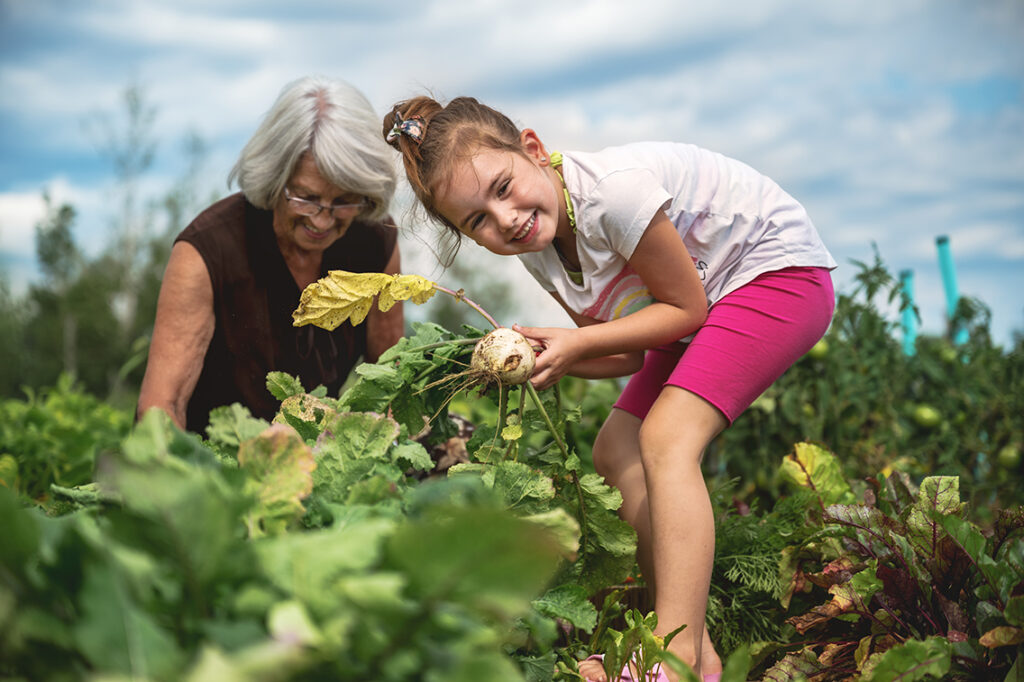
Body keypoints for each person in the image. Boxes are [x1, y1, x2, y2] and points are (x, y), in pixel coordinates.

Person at [382, 96, 837, 682]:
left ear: (533, 149)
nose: (505, 219)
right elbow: (623, 349)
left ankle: (670, 659)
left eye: (503, 187)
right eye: (478, 222)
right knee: (616, 448)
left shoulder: (613, 197)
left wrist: (575, 344)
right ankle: (695, 652)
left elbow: (686, 309)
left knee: (668, 438)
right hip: (702, 306)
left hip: (774, 275)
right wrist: (552, 357)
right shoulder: (539, 256)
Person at [137, 76, 403, 433]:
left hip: (315, 461)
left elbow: (391, 383)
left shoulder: (374, 242)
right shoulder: (207, 250)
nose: (323, 220)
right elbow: (161, 408)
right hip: (216, 463)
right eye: (306, 198)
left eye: (343, 201)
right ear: (275, 179)